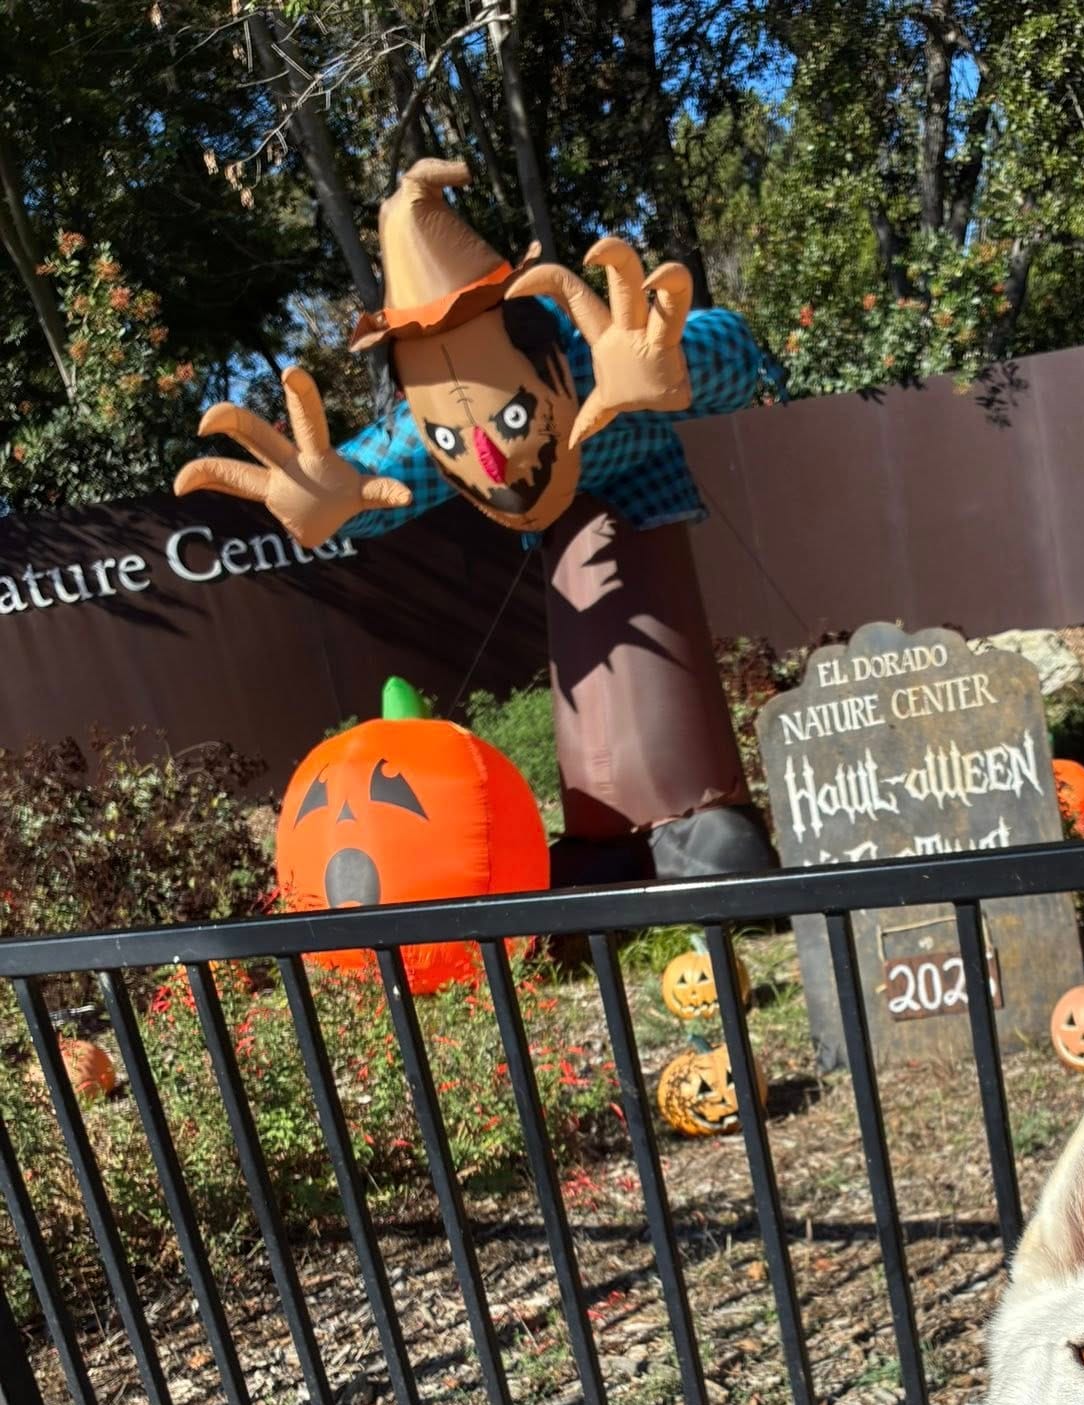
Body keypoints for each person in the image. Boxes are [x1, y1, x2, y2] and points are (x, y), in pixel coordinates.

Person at [175, 158, 778, 886]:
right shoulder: (436, 428)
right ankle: (606, 837)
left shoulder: (590, 359)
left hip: (640, 505)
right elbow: (379, 479)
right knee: (589, 697)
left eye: (512, 417)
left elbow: (736, 356)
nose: (490, 461)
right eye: (457, 438)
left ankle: (699, 828)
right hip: (563, 549)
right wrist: (328, 499)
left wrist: (674, 362)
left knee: (655, 675)